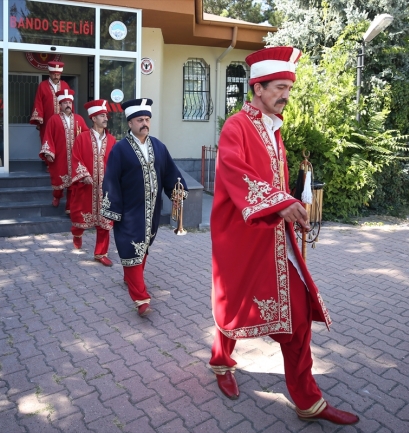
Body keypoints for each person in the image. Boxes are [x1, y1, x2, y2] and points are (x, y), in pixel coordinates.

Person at [209, 46, 359, 426]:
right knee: (234, 309)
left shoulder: (275, 130)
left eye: (289, 89)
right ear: (257, 87)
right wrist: (278, 202)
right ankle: (221, 361)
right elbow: (235, 173)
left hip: (276, 238)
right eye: (279, 87)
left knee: (297, 316)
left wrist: (291, 209)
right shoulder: (235, 126)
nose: (286, 96)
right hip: (241, 237)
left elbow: (274, 183)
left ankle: (308, 400)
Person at [101, 98, 187, 317]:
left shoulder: (159, 146)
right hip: (129, 211)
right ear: (130, 123)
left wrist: (177, 192)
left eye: (147, 119)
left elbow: (170, 173)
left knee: (144, 246)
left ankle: (130, 277)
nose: (145, 124)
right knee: (130, 248)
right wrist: (114, 211)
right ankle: (141, 299)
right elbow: (111, 179)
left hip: (152, 210)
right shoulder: (120, 149)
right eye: (140, 120)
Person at [69, 99, 116, 266]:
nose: (106, 118)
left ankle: (100, 253)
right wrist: (83, 174)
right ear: (94, 118)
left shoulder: (112, 140)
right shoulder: (81, 138)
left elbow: (115, 162)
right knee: (80, 216)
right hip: (85, 186)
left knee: (104, 222)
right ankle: (77, 233)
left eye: (106, 116)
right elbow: (75, 158)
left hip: (105, 189)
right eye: (102, 115)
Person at [39, 89, 88, 210]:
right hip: (59, 157)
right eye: (65, 103)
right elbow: (48, 136)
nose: (68, 105)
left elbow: (86, 134)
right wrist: (48, 152)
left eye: (69, 103)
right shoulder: (53, 120)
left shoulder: (79, 119)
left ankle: (69, 207)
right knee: (58, 182)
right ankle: (57, 196)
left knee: (73, 184)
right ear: (60, 105)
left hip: (75, 158)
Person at [30, 61, 71, 145]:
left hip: (63, 121)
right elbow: (38, 102)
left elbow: (69, 102)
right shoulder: (42, 85)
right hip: (47, 121)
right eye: (54, 74)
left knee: (62, 142)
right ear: (49, 73)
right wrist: (39, 121)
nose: (56, 76)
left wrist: (70, 116)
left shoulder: (65, 85)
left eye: (58, 75)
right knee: (47, 142)